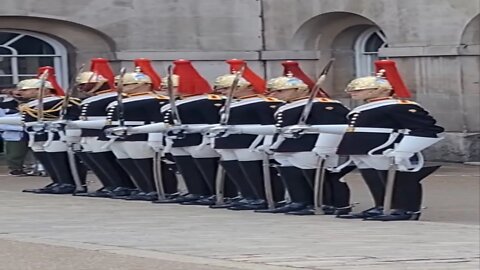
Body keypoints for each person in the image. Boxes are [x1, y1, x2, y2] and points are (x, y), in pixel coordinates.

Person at [335, 60, 444, 221]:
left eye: (359, 89)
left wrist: (404, 149)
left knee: (400, 178)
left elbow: (426, 129)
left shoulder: (398, 106)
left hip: (385, 147)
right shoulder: (362, 108)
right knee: (373, 177)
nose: (353, 92)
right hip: (365, 148)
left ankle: (405, 209)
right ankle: (382, 205)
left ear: (378, 90)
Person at [259, 61, 354, 215]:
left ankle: (326, 202)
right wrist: (271, 144)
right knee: (291, 174)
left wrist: (325, 147)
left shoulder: (322, 104)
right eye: (274, 91)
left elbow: (333, 126)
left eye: (280, 91)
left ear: (299, 89)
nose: (275, 95)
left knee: (317, 175)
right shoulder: (284, 106)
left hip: (309, 144)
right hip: (286, 144)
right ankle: (300, 200)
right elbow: (278, 128)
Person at [16, 67, 87, 194]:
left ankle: (67, 182)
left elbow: (72, 117)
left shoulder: (62, 101)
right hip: (36, 136)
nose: (21, 92)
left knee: (59, 160)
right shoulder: (29, 105)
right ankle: (57, 181)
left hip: (56, 136)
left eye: (26, 90)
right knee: (47, 161)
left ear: (42, 90)